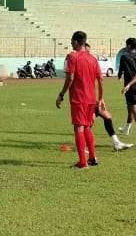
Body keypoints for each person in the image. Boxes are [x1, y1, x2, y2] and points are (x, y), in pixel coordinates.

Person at [55, 31, 102, 169]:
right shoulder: (93, 59)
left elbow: (70, 78)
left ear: (76, 41)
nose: (70, 43)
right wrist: (100, 98)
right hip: (91, 98)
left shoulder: (73, 57)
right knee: (87, 126)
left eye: (71, 40)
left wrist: (61, 94)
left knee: (79, 127)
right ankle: (92, 158)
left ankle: (83, 162)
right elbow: (100, 79)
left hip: (79, 97)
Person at [83, 43, 131, 152]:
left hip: (94, 98)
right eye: (86, 51)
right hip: (86, 99)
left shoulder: (91, 63)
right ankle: (82, 145)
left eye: (89, 52)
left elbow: (95, 84)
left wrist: (101, 99)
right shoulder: (81, 65)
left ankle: (116, 143)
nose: (88, 54)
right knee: (89, 122)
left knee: (106, 117)